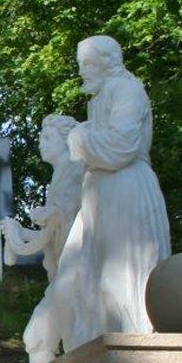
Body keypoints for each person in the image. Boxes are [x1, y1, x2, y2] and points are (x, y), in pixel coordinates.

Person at [65, 36, 171, 342]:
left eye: (87, 63)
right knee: (96, 280)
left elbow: (119, 148)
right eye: (80, 64)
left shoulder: (127, 90)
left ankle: (134, 348)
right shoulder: (101, 97)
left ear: (107, 62)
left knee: (125, 277)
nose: (82, 71)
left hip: (126, 189)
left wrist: (79, 137)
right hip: (102, 194)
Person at [0, 114, 84, 280]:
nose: (40, 144)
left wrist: (53, 214)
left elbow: (72, 229)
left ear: (67, 140)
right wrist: (20, 232)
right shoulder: (59, 177)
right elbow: (53, 236)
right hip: (65, 272)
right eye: (40, 139)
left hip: (77, 272)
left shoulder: (77, 173)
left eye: (47, 138)